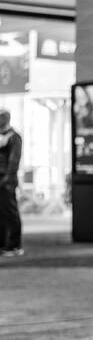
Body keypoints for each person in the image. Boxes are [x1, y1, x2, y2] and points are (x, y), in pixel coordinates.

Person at [0, 108, 22, 256]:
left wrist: (8, 178)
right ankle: (3, 244)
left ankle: (14, 246)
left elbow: (14, 160)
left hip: (7, 180)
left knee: (10, 212)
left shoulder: (14, 137)